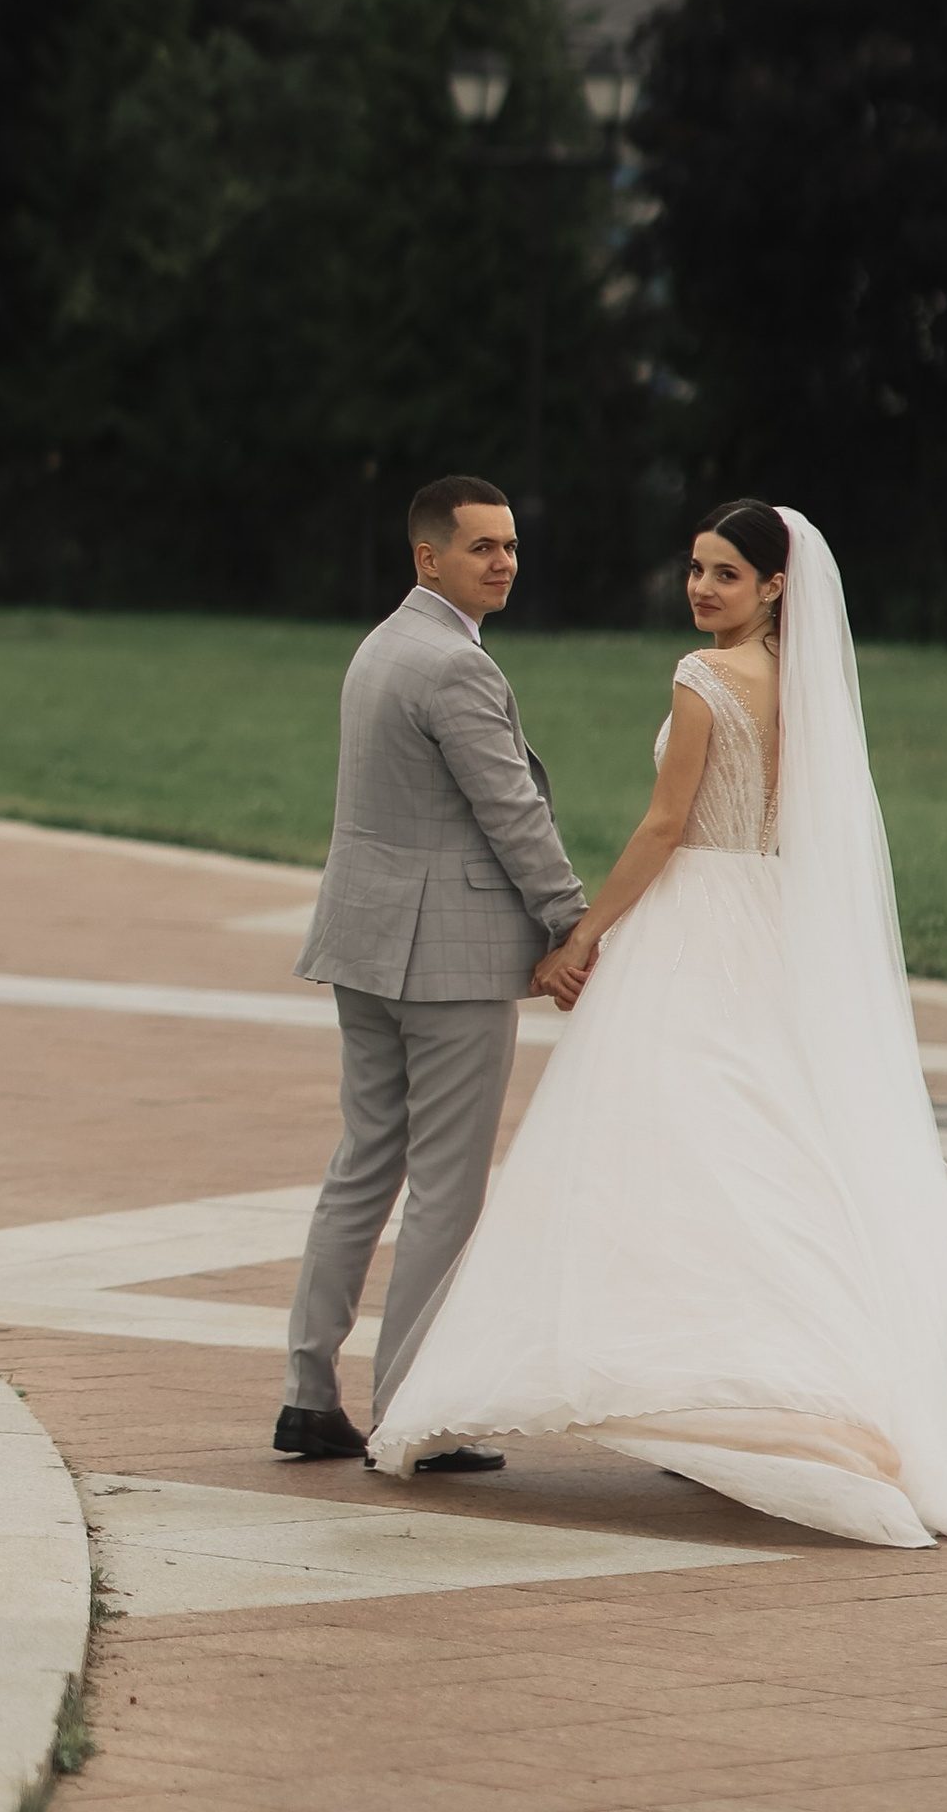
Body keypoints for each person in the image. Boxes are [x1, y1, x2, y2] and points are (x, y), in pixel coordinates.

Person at [367, 499, 947, 1550]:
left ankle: (716, 1384)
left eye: (725, 573)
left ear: (773, 588)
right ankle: (776, 1385)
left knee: (672, 1148)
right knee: (775, 1143)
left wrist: (582, 934)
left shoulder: (702, 675)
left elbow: (666, 825)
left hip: (698, 924)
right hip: (770, 923)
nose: (702, 588)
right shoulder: (809, 693)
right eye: (695, 569)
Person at [275, 475, 587, 1468]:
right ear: (428, 557)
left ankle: (305, 1393)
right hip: (442, 962)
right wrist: (571, 923)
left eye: (509, 545)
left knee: (362, 1166)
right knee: (446, 1190)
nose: (502, 562)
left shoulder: (380, 645)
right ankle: (415, 1413)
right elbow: (511, 812)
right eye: (481, 547)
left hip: (366, 947)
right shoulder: (452, 665)